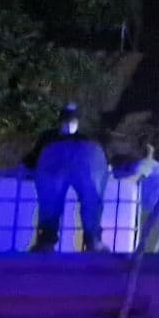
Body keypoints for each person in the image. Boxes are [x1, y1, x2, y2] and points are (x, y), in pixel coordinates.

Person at [25, 103, 109, 253]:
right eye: (67, 119)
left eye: (72, 119)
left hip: (67, 171)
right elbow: (35, 157)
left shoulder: (78, 139)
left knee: (86, 201)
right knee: (56, 203)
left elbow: (34, 157)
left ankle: (89, 240)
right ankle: (50, 240)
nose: (69, 123)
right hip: (62, 171)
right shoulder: (53, 137)